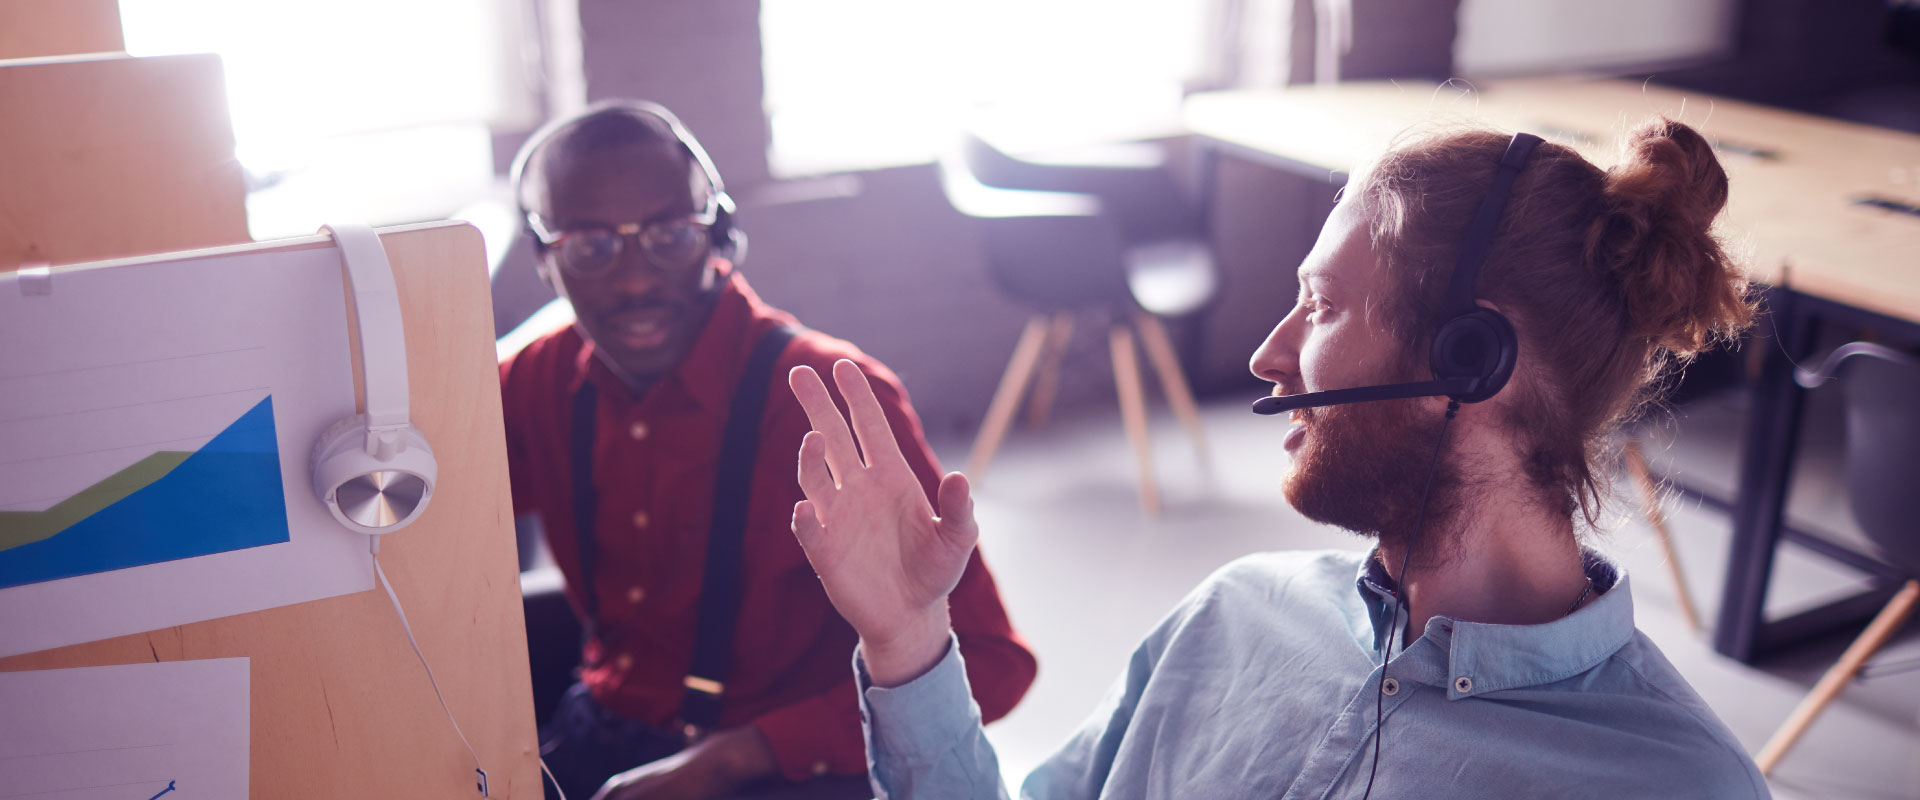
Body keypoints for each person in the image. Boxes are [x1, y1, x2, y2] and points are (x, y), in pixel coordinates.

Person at [784, 117, 1771, 799]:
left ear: (1474, 355)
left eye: (1325, 304)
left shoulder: (1676, 781)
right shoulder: (1228, 617)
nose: (1268, 351)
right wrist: (908, 634)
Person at [499, 101, 1036, 800]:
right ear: (545, 258)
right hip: (602, 725)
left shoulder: (831, 402)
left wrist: (735, 757)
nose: (633, 282)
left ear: (721, 236)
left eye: (669, 236)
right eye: (591, 248)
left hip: (785, 764)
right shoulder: (534, 381)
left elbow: (992, 663)